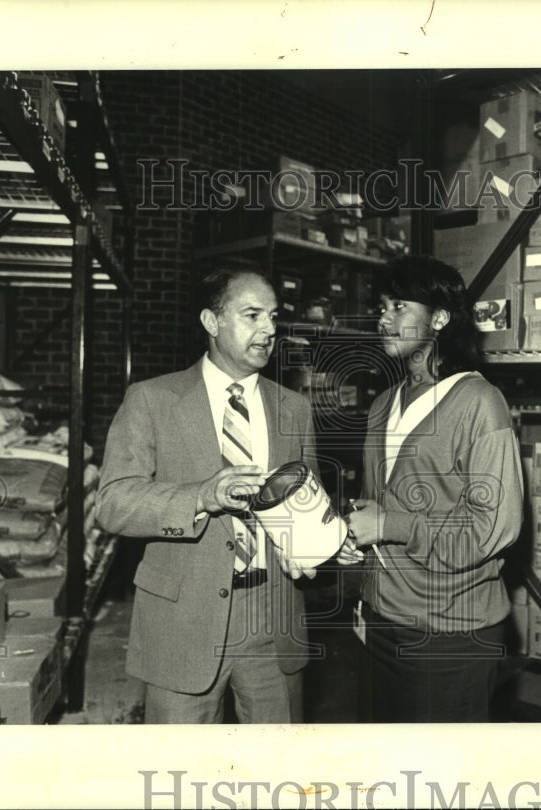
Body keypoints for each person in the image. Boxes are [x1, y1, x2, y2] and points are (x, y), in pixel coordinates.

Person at [95, 266, 318, 724]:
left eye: (273, 317)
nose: (269, 330)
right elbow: (112, 503)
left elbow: (306, 503)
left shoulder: (294, 408)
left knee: (280, 775)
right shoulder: (151, 400)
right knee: (181, 775)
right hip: (182, 623)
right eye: (252, 315)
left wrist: (320, 544)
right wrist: (201, 495)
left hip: (271, 619)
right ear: (211, 323)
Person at [339, 254, 524, 722]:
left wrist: (388, 525)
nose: (384, 317)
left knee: (441, 774)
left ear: (440, 318)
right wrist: (359, 563)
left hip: (450, 631)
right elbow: (376, 504)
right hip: (382, 621)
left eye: (399, 305)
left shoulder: (481, 403)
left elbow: (492, 530)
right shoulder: (383, 404)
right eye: (382, 305)